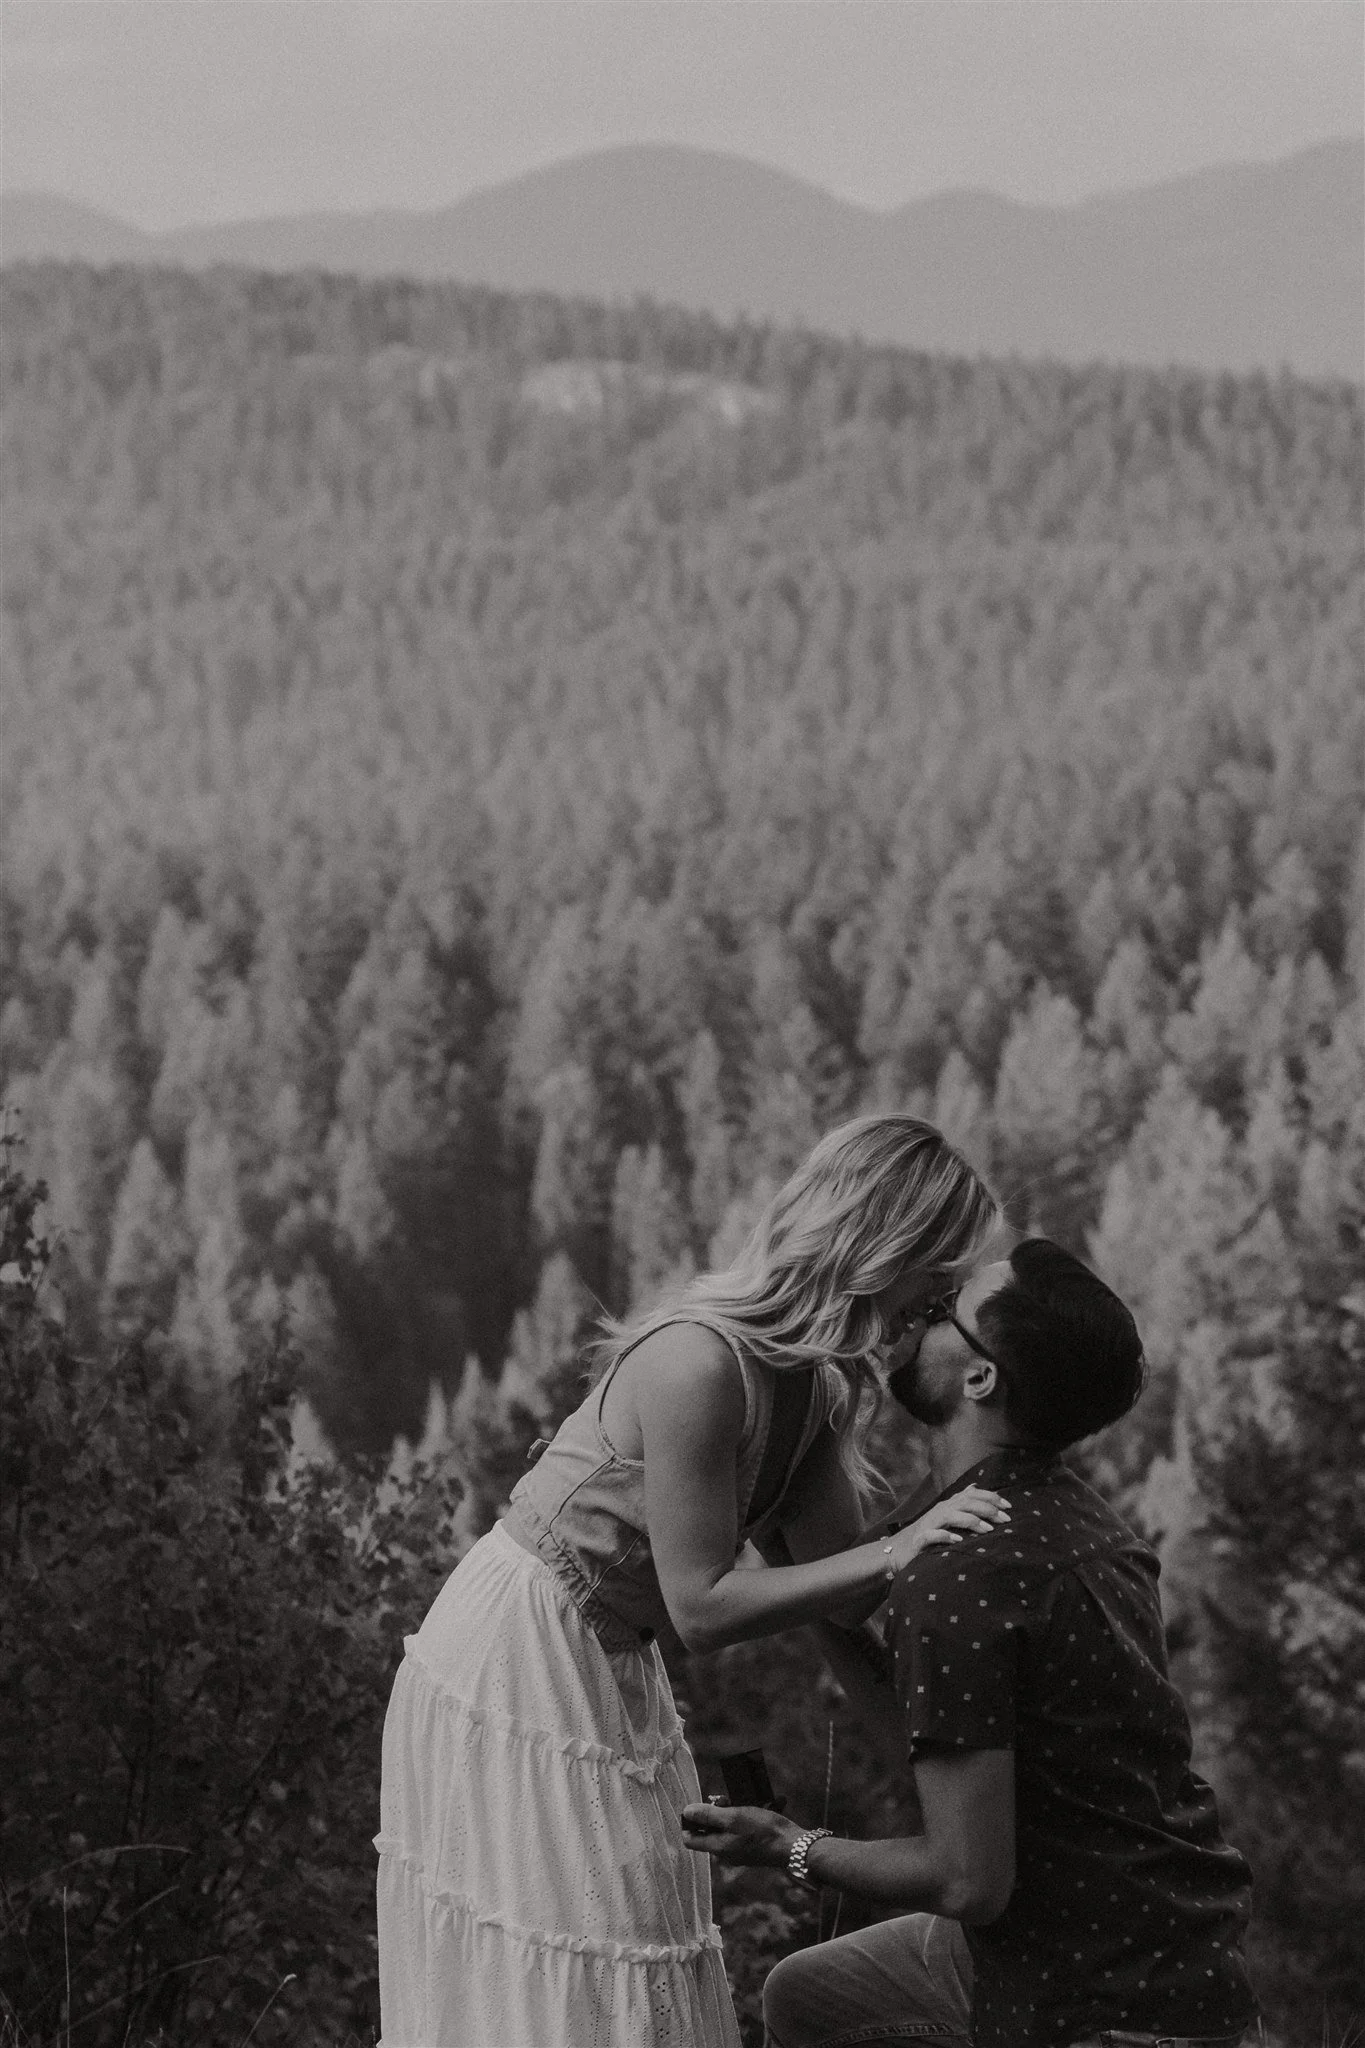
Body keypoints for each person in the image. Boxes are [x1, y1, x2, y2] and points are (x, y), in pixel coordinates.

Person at [375, 1114, 1007, 2048]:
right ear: (884, 1247)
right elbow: (704, 1607)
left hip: (606, 1652)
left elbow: (849, 1588)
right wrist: (898, 1545)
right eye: (939, 1269)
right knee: (578, 1944)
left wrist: (963, 1475)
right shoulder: (697, 1362)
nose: (941, 1295)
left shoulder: (814, 1388)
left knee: (639, 1935)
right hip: (520, 1643)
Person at [683, 1237, 1260, 2048]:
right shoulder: (1078, 1522)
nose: (917, 1313)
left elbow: (966, 1881)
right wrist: (806, 1576)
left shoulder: (961, 1575)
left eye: (941, 1312)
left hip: (1095, 2001)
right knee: (810, 1996)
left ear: (979, 1377)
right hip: (1167, 1945)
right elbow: (940, 1760)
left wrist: (788, 1845)